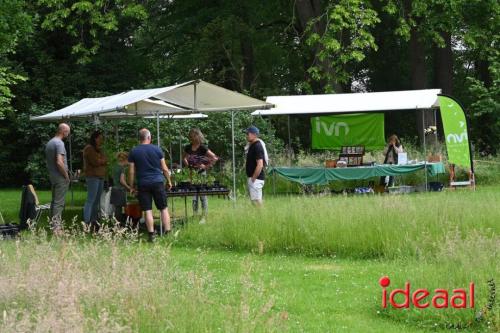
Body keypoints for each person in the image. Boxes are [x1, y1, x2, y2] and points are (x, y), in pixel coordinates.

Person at [128, 128, 172, 242]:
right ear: (149, 138)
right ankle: (168, 233)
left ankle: (151, 235)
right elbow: (164, 168)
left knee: (147, 210)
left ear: (140, 138)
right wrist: (169, 181)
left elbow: (131, 171)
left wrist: (131, 186)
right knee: (163, 208)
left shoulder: (134, 151)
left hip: (143, 183)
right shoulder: (157, 149)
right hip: (157, 182)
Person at [182, 128, 218, 224]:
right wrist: (188, 165)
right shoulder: (188, 147)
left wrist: (206, 166)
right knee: (194, 195)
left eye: (193, 136)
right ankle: (195, 215)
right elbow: (184, 158)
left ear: (197, 136)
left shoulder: (203, 148)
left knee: (202, 195)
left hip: (201, 173)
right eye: (190, 136)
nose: (191, 138)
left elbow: (214, 158)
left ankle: (204, 217)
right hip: (192, 174)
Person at [45, 123, 71, 234]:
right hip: (60, 177)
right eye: (68, 132)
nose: (68, 134)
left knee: (54, 201)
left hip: (53, 176)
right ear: (63, 131)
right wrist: (66, 176)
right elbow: (59, 162)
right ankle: (57, 229)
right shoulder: (59, 143)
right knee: (59, 203)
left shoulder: (50, 142)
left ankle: (53, 225)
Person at [83, 130, 108, 228]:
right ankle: (87, 221)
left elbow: (105, 159)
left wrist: (102, 160)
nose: (101, 140)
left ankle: (94, 221)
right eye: (100, 138)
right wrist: (103, 160)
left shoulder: (99, 149)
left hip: (100, 177)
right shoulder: (89, 149)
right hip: (92, 177)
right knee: (90, 200)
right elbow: (95, 162)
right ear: (95, 138)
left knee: (96, 200)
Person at [244, 126, 268, 206]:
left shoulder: (257, 146)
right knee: (254, 201)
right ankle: (259, 217)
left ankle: (262, 217)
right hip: (254, 178)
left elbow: (260, 164)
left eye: (248, 133)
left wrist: (253, 178)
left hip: (256, 179)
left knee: (257, 201)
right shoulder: (252, 145)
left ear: (254, 134)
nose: (246, 135)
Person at [110, 152, 131, 224]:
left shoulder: (114, 166)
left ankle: (116, 224)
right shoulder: (122, 168)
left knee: (116, 208)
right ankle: (119, 225)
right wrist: (129, 188)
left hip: (114, 189)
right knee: (119, 209)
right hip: (119, 190)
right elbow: (122, 181)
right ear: (125, 160)